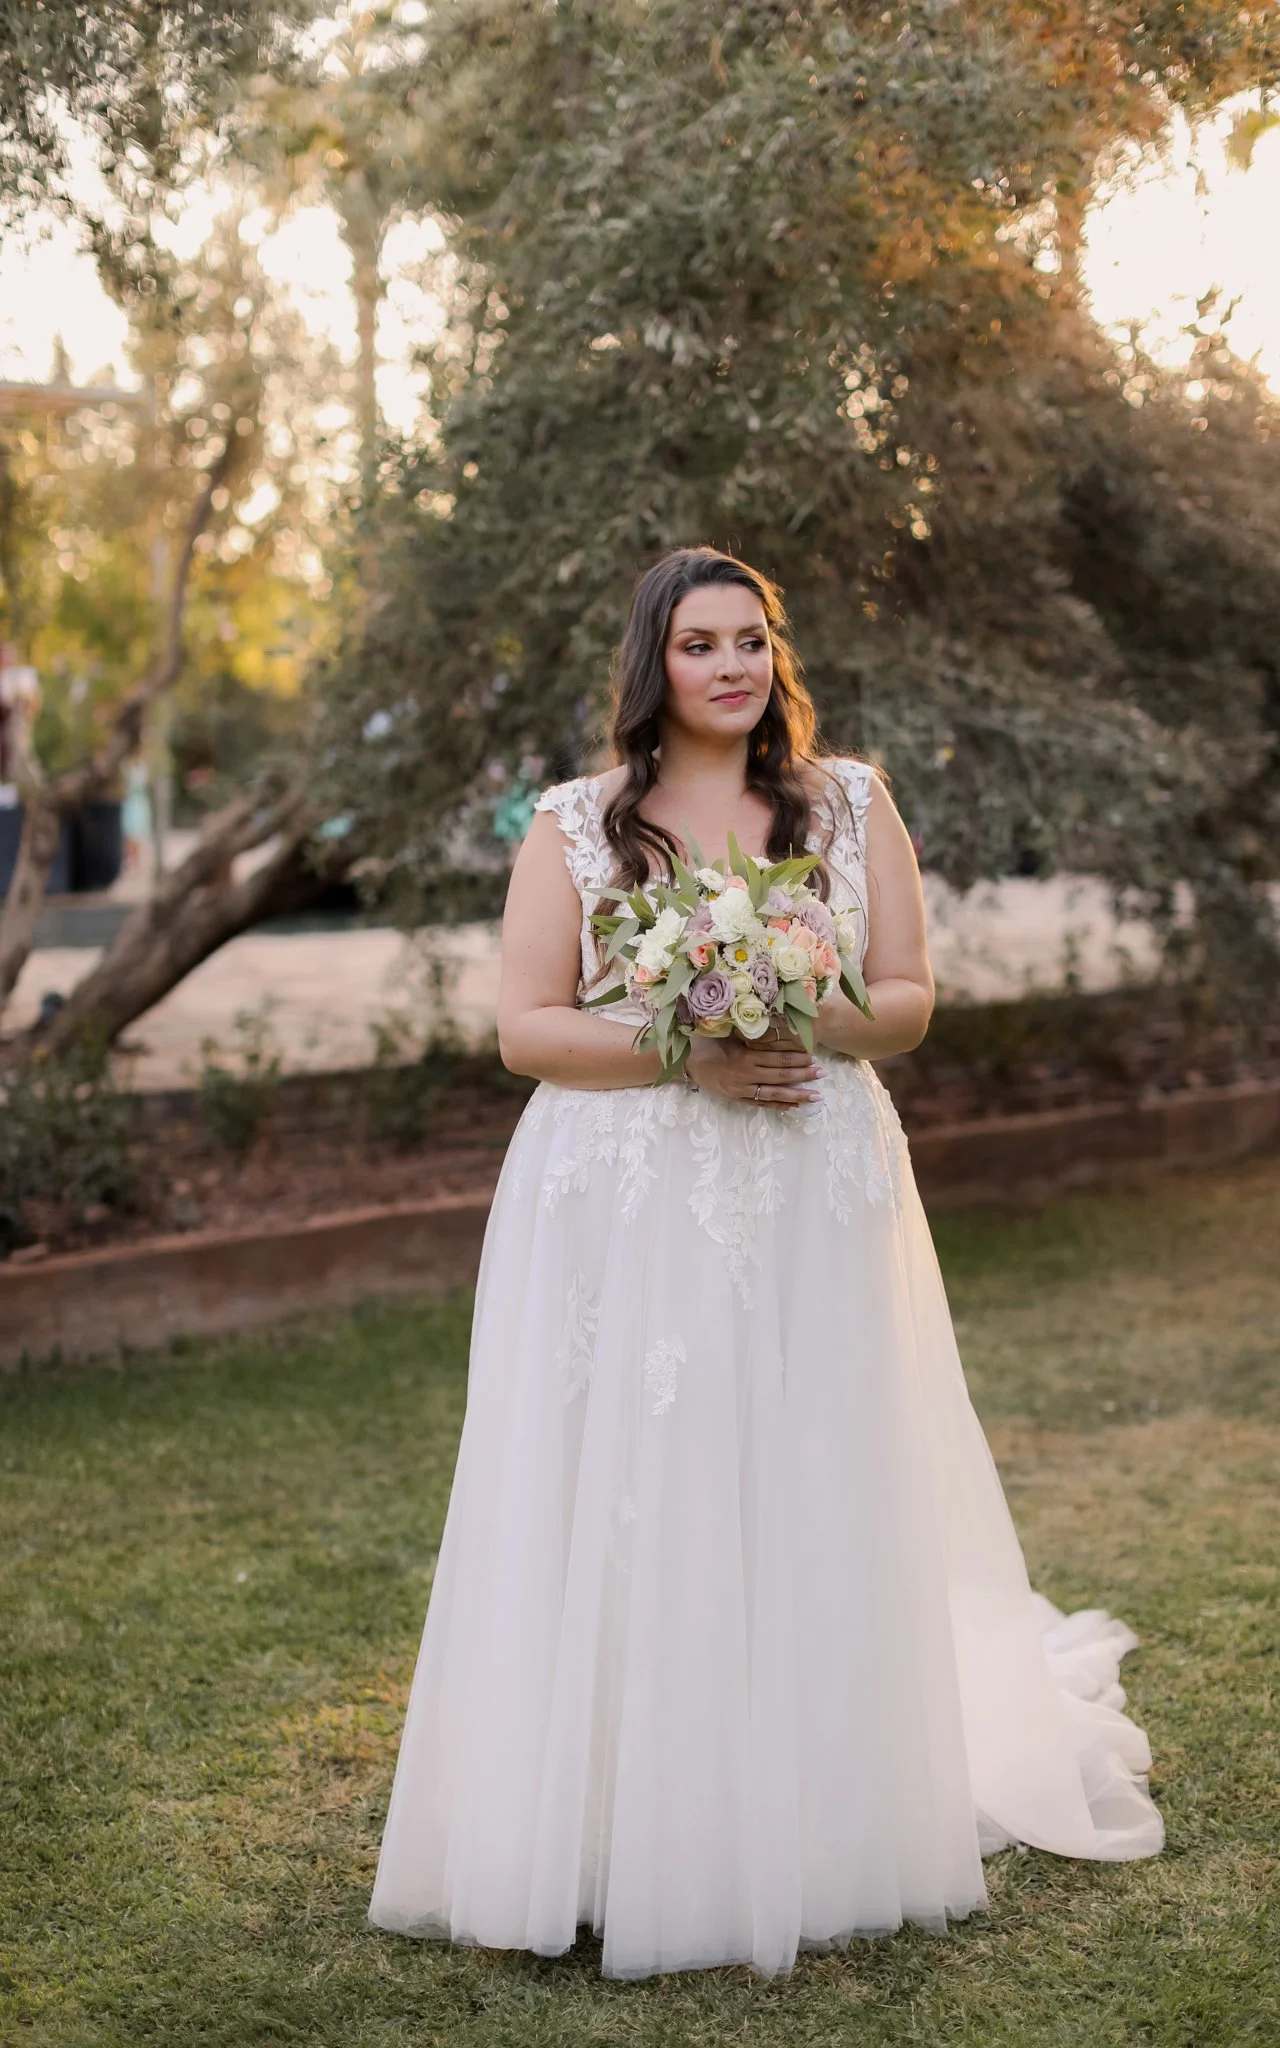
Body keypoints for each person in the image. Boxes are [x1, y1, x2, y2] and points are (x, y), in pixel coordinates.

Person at [369, 547, 1162, 1980]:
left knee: (809, 1467)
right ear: (651, 664)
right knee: (632, 1487)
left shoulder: (851, 804)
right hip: (626, 1192)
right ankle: (613, 1823)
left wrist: (802, 1010)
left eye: (750, 640)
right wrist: (690, 1049)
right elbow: (528, 1029)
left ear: (773, 657)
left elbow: (910, 998)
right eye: (697, 644)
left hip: (810, 1174)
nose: (729, 667)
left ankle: (822, 1813)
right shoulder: (575, 825)